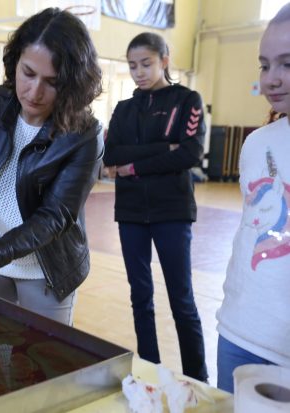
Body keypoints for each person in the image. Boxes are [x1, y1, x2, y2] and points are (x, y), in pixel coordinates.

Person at [0, 8, 104, 326]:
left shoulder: (85, 134)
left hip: (46, 269)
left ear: (71, 84)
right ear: (14, 62)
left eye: (51, 82)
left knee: (43, 360)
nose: (34, 91)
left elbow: (55, 217)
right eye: (27, 73)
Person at [103, 32, 208, 381]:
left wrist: (133, 166)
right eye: (132, 66)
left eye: (146, 64)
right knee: (140, 296)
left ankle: (198, 378)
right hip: (131, 213)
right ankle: (150, 370)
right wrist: (165, 150)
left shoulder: (187, 100)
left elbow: (191, 153)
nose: (138, 73)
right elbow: (112, 154)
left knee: (182, 300)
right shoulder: (123, 109)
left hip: (172, 213)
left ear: (165, 60)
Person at [216, 3, 290, 393]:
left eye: (287, 64)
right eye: (265, 65)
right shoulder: (257, 144)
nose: (272, 80)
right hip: (240, 332)